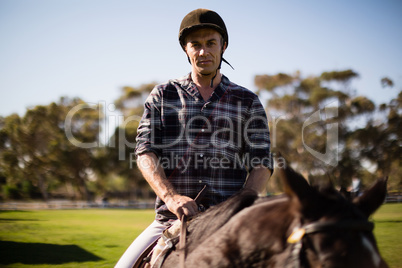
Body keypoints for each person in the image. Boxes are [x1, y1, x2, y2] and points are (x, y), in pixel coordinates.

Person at [115, 8, 273, 268]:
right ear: (186, 50)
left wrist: (243, 203)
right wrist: (171, 197)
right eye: (195, 45)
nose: (203, 51)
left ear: (223, 46)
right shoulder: (163, 95)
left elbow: (262, 160)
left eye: (211, 43)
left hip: (229, 222)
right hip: (171, 220)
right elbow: (145, 152)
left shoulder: (248, 101)